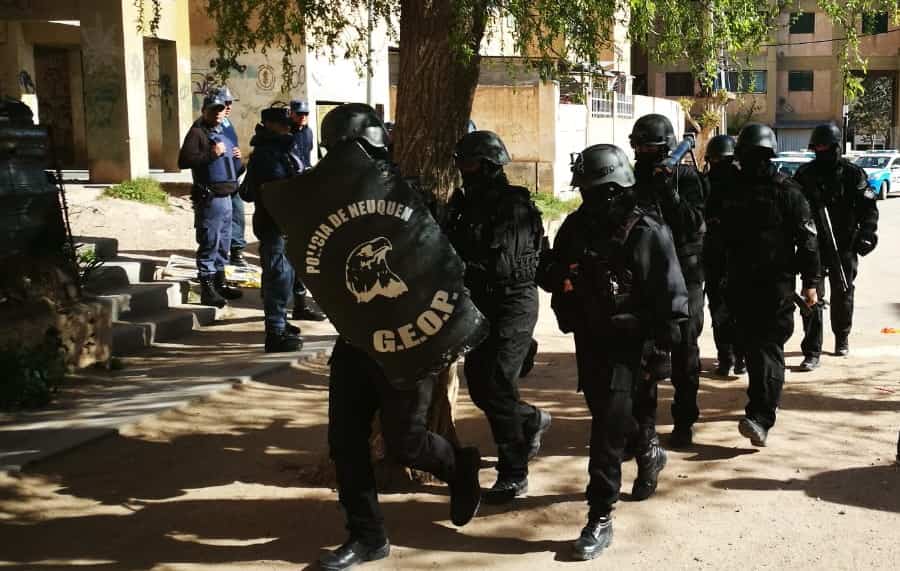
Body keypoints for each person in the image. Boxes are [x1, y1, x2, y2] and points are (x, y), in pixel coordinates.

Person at [318, 103, 482, 571]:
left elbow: (443, 265)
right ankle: (366, 535)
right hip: (355, 339)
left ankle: (458, 467)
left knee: (405, 442)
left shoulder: (412, 198)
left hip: (409, 339)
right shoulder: (324, 200)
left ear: (373, 151)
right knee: (345, 442)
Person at [538, 144, 688, 560]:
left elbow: (673, 300)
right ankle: (649, 450)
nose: (588, 198)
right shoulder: (577, 226)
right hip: (590, 339)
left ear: (615, 188)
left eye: (596, 190)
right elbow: (549, 272)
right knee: (613, 414)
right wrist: (563, 276)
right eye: (584, 189)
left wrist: (661, 352)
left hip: (632, 344)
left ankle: (599, 515)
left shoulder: (646, 230)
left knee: (606, 428)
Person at [444, 130, 551, 504]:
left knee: (497, 384)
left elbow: (503, 266)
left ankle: (513, 472)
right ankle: (530, 420)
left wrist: (462, 263)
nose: (463, 169)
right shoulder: (464, 204)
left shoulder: (513, 206)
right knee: (479, 384)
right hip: (481, 304)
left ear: (488, 166)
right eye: (461, 162)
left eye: (470, 163)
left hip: (512, 303)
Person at [712, 123, 820, 446]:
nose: (754, 162)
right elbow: (716, 234)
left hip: (775, 287)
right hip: (738, 285)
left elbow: (808, 241)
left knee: (768, 350)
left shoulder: (788, 191)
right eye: (749, 156)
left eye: (760, 156)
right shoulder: (729, 190)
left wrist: (811, 283)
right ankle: (763, 401)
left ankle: (761, 416)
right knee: (751, 349)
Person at [629, 114, 708, 448]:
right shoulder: (633, 178)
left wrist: (669, 195)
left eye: (649, 147)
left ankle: (684, 420)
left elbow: (694, 224)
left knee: (685, 352)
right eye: (638, 147)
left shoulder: (686, 177)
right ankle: (642, 428)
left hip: (686, 274)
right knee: (643, 354)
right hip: (647, 275)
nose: (642, 153)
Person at [794, 123, 878, 370]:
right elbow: (793, 208)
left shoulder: (852, 174)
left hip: (844, 244)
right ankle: (812, 350)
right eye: (817, 148)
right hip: (813, 246)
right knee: (812, 295)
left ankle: (842, 336)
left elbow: (868, 209)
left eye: (825, 147)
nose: (821, 151)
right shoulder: (804, 175)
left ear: (835, 147)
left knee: (843, 292)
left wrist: (867, 233)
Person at [243, 107, 304, 353]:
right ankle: (275, 332)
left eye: (288, 123)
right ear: (269, 124)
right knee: (277, 276)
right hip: (273, 223)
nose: (288, 127)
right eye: (282, 123)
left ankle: (281, 322)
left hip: (284, 222)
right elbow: (277, 187)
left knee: (285, 275)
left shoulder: (281, 149)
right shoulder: (266, 154)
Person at [178, 92, 244, 308]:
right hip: (210, 197)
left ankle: (220, 283)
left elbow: (235, 170)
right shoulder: (197, 133)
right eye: (213, 109)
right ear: (204, 111)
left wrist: (238, 160)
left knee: (224, 243)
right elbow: (184, 160)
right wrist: (211, 154)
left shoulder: (224, 133)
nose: (218, 113)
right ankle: (207, 289)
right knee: (210, 241)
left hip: (227, 196)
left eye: (220, 109)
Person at [702, 134, 746, 376]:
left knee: (738, 309)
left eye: (723, 160)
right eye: (715, 161)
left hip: (738, 257)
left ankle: (739, 357)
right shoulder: (704, 184)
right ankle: (727, 357)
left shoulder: (744, 184)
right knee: (719, 310)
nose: (719, 165)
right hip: (714, 256)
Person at [287, 99, 327, 322]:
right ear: (291, 114)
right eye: (299, 114)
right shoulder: (286, 133)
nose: (302, 117)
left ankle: (300, 303)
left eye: (305, 114)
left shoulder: (308, 132)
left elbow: (306, 156)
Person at [211, 86, 249, 268]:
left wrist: (237, 155)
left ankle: (236, 252)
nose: (228, 107)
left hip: (233, 178)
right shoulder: (205, 126)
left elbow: (232, 146)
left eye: (230, 103)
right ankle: (215, 259)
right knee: (218, 222)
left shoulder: (227, 124)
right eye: (225, 103)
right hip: (218, 181)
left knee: (237, 215)